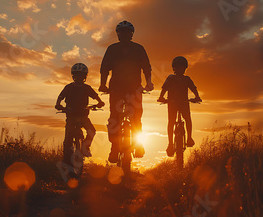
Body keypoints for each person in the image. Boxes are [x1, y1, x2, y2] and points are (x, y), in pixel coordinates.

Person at [99, 20, 153, 163]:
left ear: (131, 34)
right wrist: (102, 84)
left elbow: (146, 67)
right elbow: (104, 68)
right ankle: (114, 147)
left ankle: (138, 144)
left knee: (136, 116)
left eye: (127, 32)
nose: (123, 34)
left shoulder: (139, 49)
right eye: (121, 32)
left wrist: (149, 82)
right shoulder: (112, 49)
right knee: (114, 117)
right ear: (118, 34)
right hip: (116, 88)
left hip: (134, 88)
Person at [55, 63, 105, 169]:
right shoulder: (68, 87)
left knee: (92, 131)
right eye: (77, 75)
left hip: (83, 116)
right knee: (68, 138)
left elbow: (95, 96)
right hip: (71, 116)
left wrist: (100, 102)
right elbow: (60, 97)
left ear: (85, 77)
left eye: (81, 75)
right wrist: (58, 104)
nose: (79, 77)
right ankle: (66, 159)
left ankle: (85, 147)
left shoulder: (87, 88)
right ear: (73, 76)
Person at [157, 56, 201, 156]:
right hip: (182, 103)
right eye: (179, 67)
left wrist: (161, 98)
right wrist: (197, 97)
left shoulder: (171, 78)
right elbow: (194, 89)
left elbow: (164, 88)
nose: (180, 69)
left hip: (173, 103)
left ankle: (171, 144)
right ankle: (188, 138)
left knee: (172, 122)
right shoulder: (186, 79)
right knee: (186, 119)